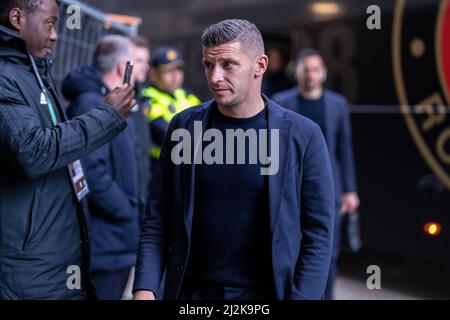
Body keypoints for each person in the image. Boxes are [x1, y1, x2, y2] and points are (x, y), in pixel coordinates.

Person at [133, 19, 335, 300]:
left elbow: (318, 235)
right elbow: (158, 218)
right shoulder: (184, 128)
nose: (215, 76)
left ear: (260, 65)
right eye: (208, 65)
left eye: (228, 64)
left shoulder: (303, 135)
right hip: (193, 295)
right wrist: (145, 288)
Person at [0, 0, 135, 300]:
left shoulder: (33, 71)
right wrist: (107, 115)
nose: (56, 35)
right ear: (17, 18)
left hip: (57, 264)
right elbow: (34, 152)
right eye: (49, 23)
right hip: (29, 276)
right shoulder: (5, 75)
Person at [273, 48, 360, 300]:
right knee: (294, 249)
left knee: (328, 253)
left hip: (329, 188)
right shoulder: (282, 101)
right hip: (291, 188)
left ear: (323, 73)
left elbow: (345, 148)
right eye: (305, 69)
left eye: (315, 70)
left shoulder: (337, 104)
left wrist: (350, 190)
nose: (310, 75)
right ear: (297, 73)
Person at [62, 35, 142, 300]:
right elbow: (90, 172)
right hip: (106, 241)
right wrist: (126, 210)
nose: (142, 70)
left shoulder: (113, 102)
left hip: (117, 239)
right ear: (122, 67)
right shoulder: (92, 104)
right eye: (135, 62)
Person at [142, 46, 201, 161]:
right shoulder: (147, 97)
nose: (175, 76)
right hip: (161, 165)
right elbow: (166, 134)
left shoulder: (187, 95)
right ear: (153, 73)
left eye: (178, 69)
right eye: (168, 71)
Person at [129, 35, 152, 204]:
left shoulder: (142, 97)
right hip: (126, 203)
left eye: (146, 61)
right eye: (139, 60)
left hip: (141, 195)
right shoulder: (115, 99)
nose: (145, 66)